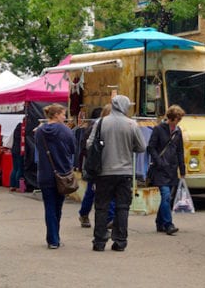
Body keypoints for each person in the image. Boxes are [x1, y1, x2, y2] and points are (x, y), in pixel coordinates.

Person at [87, 95, 145, 252]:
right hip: (125, 172)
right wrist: (127, 146)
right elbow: (141, 147)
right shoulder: (132, 124)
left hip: (103, 171)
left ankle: (99, 241)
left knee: (101, 207)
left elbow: (89, 144)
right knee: (122, 207)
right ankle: (120, 241)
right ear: (124, 106)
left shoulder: (101, 122)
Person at [35, 103, 77, 249]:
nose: (65, 117)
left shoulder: (39, 132)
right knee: (58, 207)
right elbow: (73, 149)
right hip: (62, 174)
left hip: (45, 174)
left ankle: (53, 239)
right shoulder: (66, 131)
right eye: (63, 114)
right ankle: (55, 237)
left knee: (49, 207)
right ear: (56, 115)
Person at [147, 104, 186, 236]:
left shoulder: (178, 132)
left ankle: (159, 222)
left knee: (167, 198)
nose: (178, 122)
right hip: (160, 169)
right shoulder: (158, 129)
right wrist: (159, 161)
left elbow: (180, 151)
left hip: (172, 168)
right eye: (177, 119)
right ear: (172, 118)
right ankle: (169, 224)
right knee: (166, 195)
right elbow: (151, 147)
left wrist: (182, 169)